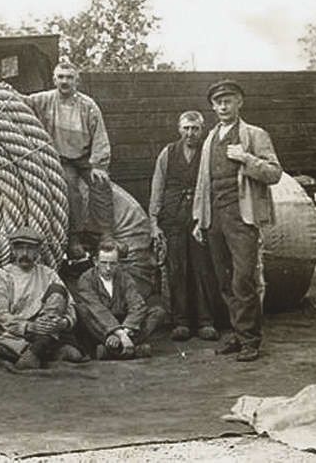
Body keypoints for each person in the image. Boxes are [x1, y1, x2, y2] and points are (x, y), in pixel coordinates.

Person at [192, 80, 282, 362]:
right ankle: (238, 333)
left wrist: (246, 159)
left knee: (244, 279)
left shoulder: (255, 135)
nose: (222, 106)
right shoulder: (210, 138)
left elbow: (274, 173)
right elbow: (202, 183)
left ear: (239, 103)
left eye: (228, 101)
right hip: (215, 217)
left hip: (242, 217)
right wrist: (199, 218)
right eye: (218, 102)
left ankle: (250, 340)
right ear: (212, 106)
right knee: (225, 279)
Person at [25, 61, 113, 258]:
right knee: (70, 189)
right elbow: (23, 101)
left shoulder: (88, 105)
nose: (65, 81)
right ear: (54, 79)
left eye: (69, 77)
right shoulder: (45, 99)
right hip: (61, 159)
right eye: (61, 77)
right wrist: (7, 91)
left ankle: (106, 233)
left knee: (102, 184)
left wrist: (99, 165)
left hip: (84, 157)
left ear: (77, 81)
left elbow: (100, 136)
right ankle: (74, 237)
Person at [149, 111, 220, 342]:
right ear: (179, 129)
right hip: (173, 219)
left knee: (202, 269)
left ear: (202, 129)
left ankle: (205, 321)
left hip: (200, 219)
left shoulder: (208, 152)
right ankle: (181, 322)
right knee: (176, 270)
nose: (190, 133)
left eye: (195, 129)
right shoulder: (168, 153)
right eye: (186, 128)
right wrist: (154, 222)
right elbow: (157, 187)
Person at [0, 226, 85, 370]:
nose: (25, 253)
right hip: (19, 333)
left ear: (38, 251)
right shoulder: (2, 276)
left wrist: (63, 323)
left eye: (30, 249)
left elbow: (69, 305)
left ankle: (35, 353)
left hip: (47, 331)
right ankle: (36, 352)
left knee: (58, 291)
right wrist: (28, 327)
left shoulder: (48, 274)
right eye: (20, 248)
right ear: (13, 250)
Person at [72, 242, 166, 360]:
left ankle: (112, 349)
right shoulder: (86, 279)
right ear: (95, 261)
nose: (108, 268)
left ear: (118, 263)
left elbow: (137, 305)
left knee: (157, 312)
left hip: (125, 324)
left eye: (112, 263)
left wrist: (125, 330)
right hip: (100, 328)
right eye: (104, 263)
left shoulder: (124, 277)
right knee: (82, 310)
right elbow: (97, 310)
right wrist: (118, 333)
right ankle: (131, 349)